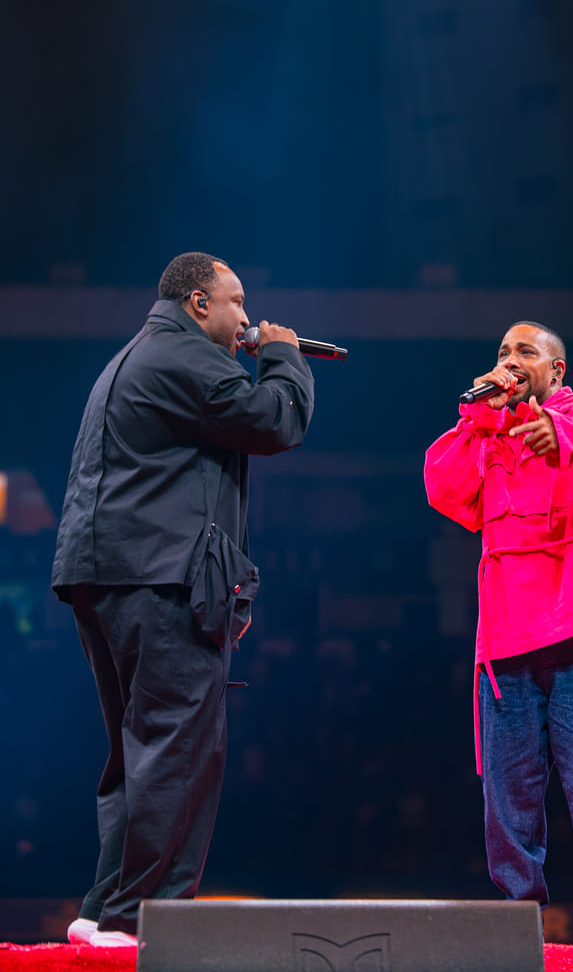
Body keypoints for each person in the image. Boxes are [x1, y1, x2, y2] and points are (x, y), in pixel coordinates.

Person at [52, 252, 314, 948]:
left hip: (106, 574)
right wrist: (284, 358)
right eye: (237, 302)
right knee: (180, 747)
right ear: (199, 303)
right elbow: (275, 422)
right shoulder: (185, 355)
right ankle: (139, 917)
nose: (247, 318)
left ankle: (104, 908)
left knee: (140, 747)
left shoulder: (137, 354)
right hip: (158, 577)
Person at [424, 321, 573, 949]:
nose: (510, 360)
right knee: (509, 793)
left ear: (557, 370)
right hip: (507, 639)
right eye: (502, 351)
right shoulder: (489, 435)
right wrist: (477, 419)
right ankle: (518, 917)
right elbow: (443, 488)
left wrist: (565, 433)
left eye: (526, 351)